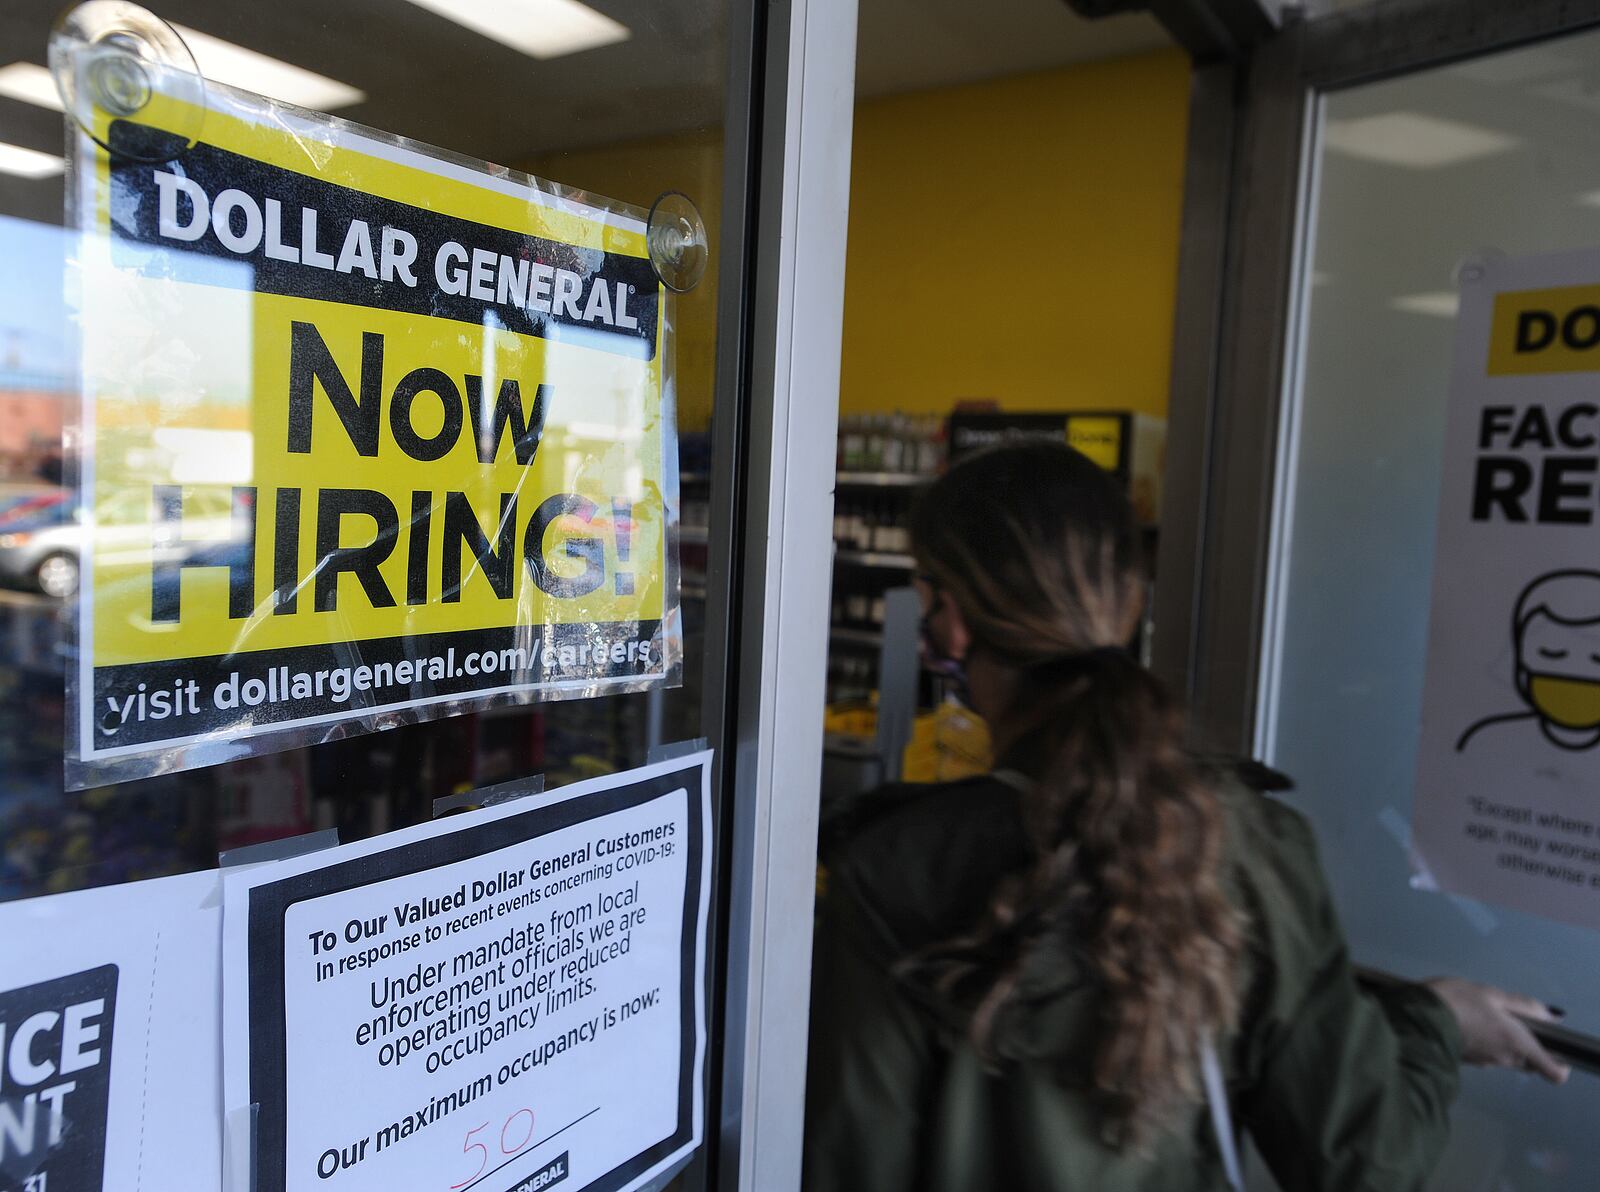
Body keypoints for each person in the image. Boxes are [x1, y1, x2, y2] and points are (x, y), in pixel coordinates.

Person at [803, 441, 1567, 1192]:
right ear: (1125, 603)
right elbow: (1366, 1161)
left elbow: (854, 1159)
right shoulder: (1246, 839)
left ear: (954, 624)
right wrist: (1432, 1024)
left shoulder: (890, 868)